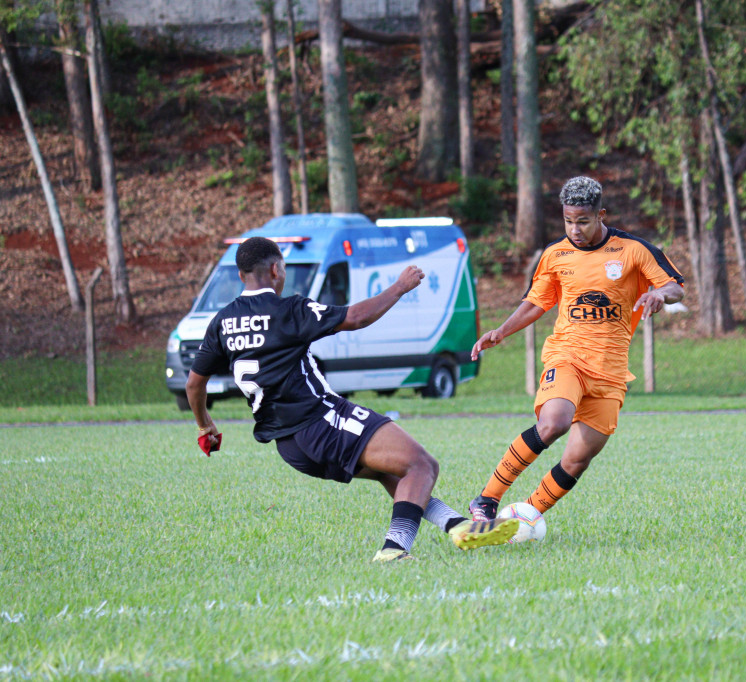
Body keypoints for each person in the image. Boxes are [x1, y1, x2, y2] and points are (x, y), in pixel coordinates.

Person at [185, 236, 517, 562]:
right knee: (422, 464)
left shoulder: (221, 322)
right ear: (275, 270)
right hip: (321, 420)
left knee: (397, 473)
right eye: (283, 269)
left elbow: (194, 385)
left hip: (289, 446)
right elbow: (355, 318)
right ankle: (395, 550)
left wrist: (205, 425)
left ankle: (459, 526)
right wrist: (398, 287)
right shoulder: (288, 309)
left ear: (240, 275)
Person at [467, 176, 685, 522]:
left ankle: (526, 518)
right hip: (568, 356)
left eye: (582, 221)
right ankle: (487, 499)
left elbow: (675, 287)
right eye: (568, 221)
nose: (575, 229)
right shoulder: (555, 255)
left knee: (577, 460)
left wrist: (659, 294)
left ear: (601, 214)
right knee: (554, 423)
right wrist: (502, 331)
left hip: (611, 371)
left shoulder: (633, 250)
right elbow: (535, 303)